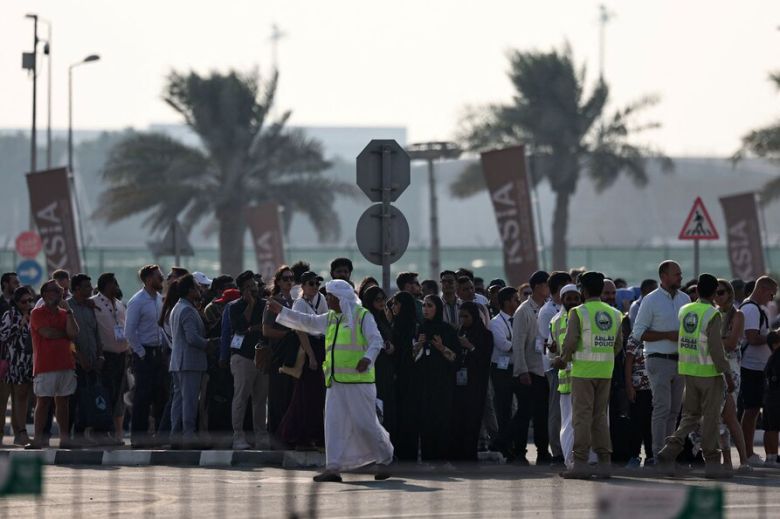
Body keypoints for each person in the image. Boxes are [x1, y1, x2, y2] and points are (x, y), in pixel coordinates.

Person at [267, 279, 394, 482]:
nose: (327, 299)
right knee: (333, 424)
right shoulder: (331, 318)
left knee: (365, 423)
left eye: (330, 296)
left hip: (359, 382)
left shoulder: (362, 316)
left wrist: (367, 359)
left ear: (340, 298)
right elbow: (308, 322)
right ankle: (333, 468)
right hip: (335, 382)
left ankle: (385, 458)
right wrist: (282, 311)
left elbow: (376, 341)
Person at [655, 274, 735, 479]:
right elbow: (716, 349)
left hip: (689, 371)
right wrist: (727, 373)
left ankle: (670, 449)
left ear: (697, 290)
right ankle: (712, 464)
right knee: (710, 419)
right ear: (714, 293)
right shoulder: (712, 314)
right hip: (709, 373)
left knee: (689, 417)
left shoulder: (685, 310)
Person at [553, 271, 623, 479]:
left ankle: (580, 463)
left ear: (582, 290)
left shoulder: (578, 312)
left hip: (583, 372)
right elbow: (618, 345)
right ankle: (604, 463)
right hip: (605, 371)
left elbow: (570, 342)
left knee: (581, 418)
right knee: (600, 417)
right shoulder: (614, 313)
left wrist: (563, 360)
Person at [630, 260, 690, 460]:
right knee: (662, 408)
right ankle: (657, 455)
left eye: (680, 274)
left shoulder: (685, 299)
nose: (680, 277)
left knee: (674, 411)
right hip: (658, 359)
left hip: (681, 361)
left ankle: (668, 454)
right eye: (676, 274)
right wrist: (667, 335)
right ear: (664, 276)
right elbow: (638, 333)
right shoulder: (651, 300)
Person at [25, 280, 79, 449]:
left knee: (63, 402)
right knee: (43, 402)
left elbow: (74, 333)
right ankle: (38, 439)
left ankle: (65, 438)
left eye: (59, 291)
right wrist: (65, 334)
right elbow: (47, 333)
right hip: (45, 365)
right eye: (54, 290)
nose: (58, 293)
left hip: (66, 363)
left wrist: (69, 312)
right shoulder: (37, 313)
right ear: (44, 294)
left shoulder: (65, 313)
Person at [278, 271, 328, 449]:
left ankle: (315, 435)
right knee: (305, 395)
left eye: (317, 284)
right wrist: (311, 356)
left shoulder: (321, 299)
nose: (315, 287)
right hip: (308, 348)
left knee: (317, 395)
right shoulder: (299, 303)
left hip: (320, 345)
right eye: (311, 284)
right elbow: (301, 331)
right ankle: (297, 435)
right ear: (303, 286)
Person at [511, 270, 551, 465]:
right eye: (547, 285)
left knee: (542, 415)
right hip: (528, 371)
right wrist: (521, 370)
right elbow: (518, 343)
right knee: (524, 414)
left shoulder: (548, 308)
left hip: (544, 369)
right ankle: (519, 452)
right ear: (537, 286)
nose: (549, 288)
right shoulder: (523, 311)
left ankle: (543, 452)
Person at [738, 276, 778, 465]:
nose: (771, 299)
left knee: (757, 410)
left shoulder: (758, 309)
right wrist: (773, 337)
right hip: (751, 367)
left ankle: (751, 453)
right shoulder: (751, 309)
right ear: (761, 289)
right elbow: (752, 338)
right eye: (771, 294)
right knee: (751, 410)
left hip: (760, 367)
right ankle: (747, 453)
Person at [414, 295, 459, 461]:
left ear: (438, 308)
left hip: (442, 383)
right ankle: (428, 457)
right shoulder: (421, 329)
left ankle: (443, 457)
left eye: (430, 306)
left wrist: (441, 348)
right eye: (424, 305)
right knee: (426, 419)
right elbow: (412, 359)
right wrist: (418, 345)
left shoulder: (447, 330)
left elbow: (455, 358)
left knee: (442, 419)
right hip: (424, 383)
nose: (425, 309)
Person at [125, 265, 165, 448]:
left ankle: (158, 436)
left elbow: (160, 328)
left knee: (160, 396)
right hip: (144, 354)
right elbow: (129, 332)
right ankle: (139, 438)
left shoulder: (158, 299)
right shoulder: (137, 301)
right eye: (158, 276)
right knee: (142, 397)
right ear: (149, 279)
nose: (162, 279)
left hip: (158, 352)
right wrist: (141, 353)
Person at [229, 270, 269, 450]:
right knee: (241, 397)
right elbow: (240, 327)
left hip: (262, 356)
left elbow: (265, 327)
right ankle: (238, 436)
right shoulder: (235, 307)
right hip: (243, 357)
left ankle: (261, 435)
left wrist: (254, 328)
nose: (253, 289)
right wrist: (250, 305)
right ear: (241, 289)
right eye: (249, 287)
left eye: (254, 285)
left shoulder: (265, 305)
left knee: (260, 399)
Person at [168, 274, 208, 448]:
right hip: (189, 363)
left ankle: (175, 436)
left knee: (178, 401)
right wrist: (208, 344)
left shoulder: (178, 307)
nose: (199, 290)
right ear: (190, 290)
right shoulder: (187, 310)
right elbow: (192, 338)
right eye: (197, 287)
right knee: (189, 401)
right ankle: (188, 436)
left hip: (179, 362)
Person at [714, 279, 750, 471]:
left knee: (729, 415)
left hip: (731, 367)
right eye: (714, 293)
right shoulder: (712, 313)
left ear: (729, 293)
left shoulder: (738, 314)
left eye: (721, 292)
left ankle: (744, 460)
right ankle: (726, 460)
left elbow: (731, 343)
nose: (717, 296)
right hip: (714, 367)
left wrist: (711, 340)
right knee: (719, 417)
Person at [450, 301, 493, 461]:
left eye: (466, 316)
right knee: (458, 419)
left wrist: (470, 347)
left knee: (473, 418)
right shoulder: (458, 333)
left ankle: (470, 453)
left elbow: (484, 359)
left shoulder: (485, 335)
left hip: (476, 384)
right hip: (459, 384)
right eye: (460, 316)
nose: (463, 320)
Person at [538, 271, 572, 466]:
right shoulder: (549, 312)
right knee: (556, 411)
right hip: (555, 366)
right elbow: (547, 343)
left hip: (568, 365)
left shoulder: (564, 309)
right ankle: (557, 451)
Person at [91, 273, 129, 444]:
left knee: (117, 396)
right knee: (104, 394)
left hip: (122, 356)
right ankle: (102, 431)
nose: (116, 286)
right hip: (105, 357)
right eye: (114, 283)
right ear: (106, 285)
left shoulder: (120, 305)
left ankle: (115, 432)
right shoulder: (93, 303)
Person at [67, 274, 104, 445]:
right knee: (73, 401)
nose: (90, 289)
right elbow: (68, 339)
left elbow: (96, 334)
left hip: (93, 362)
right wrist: (79, 357)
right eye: (87, 286)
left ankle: (81, 436)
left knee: (88, 401)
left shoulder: (90, 307)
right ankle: (67, 436)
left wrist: (100, 356)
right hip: (75, 364)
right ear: (77, 289)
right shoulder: (67, 307)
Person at [549, 284, 583, 469]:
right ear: (562, 300)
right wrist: (553, 352)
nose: (572, 302)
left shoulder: (585, 316)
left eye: (576, 298)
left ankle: (588, 460)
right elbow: (551, 354)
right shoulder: (555, 321)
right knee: (568, 424)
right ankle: (570, 461)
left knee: (585, 422)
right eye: (569, 299)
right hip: (567, 381)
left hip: (585, 377)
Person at [362, 286, 398, 445]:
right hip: (374, 367)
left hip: (385, 368)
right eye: (377, 299)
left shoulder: (382, 318)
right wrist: (385, 346)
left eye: (384, 299)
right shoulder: (367, 318)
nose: (382, 302)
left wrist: (390, 347)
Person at [264, 266, 297, 437]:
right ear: (278, 281)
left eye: (291, 278)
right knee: (277, 396)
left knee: (291, 396)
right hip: (278, 354)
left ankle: (288, 432)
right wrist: (288, 335)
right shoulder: (273, 302)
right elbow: (266, 330)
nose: (289, 281)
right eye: (285, 278)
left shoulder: (296, 302)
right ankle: (275, 435)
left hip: (294, 355)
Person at [0, 286, 34, 446]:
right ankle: (4, 434)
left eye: (30, 300)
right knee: (4, 401)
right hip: (10, 364)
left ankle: (20, 434)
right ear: (16, 301)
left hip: (26, 363)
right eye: (24, 301)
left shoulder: (34, 315)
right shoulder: (10, 314)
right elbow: (3, 335)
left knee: (22, 399)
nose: (28, 304)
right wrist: (20, 323)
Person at [489, 287, 520, 457]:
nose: (518, 302)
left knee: (521, 407)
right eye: (515, 299)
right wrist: (521, 346)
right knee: (504, 407)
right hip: (501, 370)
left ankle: (505, 440)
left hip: (517, 367)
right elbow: (504, 345)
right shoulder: (495, 322)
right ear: (507, 302)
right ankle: (505, 445)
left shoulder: (518, 319)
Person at [391, 291, 420, 461]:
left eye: (396, 303)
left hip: (408, 377)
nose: (393, 307)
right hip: (401, 376)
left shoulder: (411, 327)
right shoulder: (396, 324)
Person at [624, 334, 653, 468]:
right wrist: (629, 386)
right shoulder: (634, 337)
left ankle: (651, 456)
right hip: (638, 388)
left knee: (650, 424)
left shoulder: (656, 334)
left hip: (654, 388)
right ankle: (634, 456)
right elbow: (628, 362)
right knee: (637, 423)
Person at [762, 330, 780, 466]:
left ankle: (770, 457)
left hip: (769, 396)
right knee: (774, 428)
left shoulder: (771, 357)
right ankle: (773, 457)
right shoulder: (778, 356)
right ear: (775, 344)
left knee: (769, 428)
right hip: (776, 396)